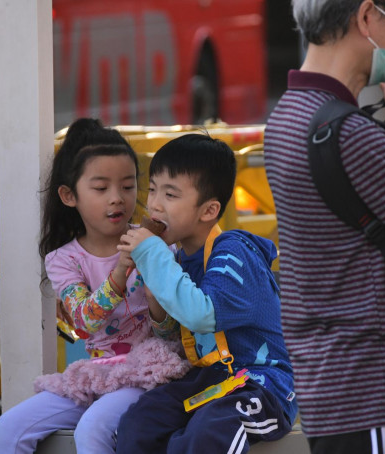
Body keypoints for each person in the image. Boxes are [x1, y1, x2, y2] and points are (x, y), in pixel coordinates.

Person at [264, 1, 385, 453]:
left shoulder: (291, 116)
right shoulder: (351, 135)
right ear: (367, 16)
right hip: (377, 386)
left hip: (340, 383)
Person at [0, 118, 184, 454]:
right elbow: (85, 321)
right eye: (101, 188)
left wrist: (156, 292)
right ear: (69, 196)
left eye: (128, 186)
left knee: (93, 428)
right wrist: (122, 269)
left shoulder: (159, 248)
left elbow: (171, 334)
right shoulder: (63, 259)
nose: (117, 199)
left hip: (149, 373)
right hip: (96, 373)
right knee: (10, 425)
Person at [116, 134, 297, 454]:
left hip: (262, 385)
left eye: (170, 194)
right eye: (153, 189)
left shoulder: (234, 252)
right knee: (141, 422)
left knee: (209, 430)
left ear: (209, 210)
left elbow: (202, 314)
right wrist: (150, 276)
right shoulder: (179, 256)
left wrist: (153, 255)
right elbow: (170, 332)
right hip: (211, 379)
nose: (155, 203)